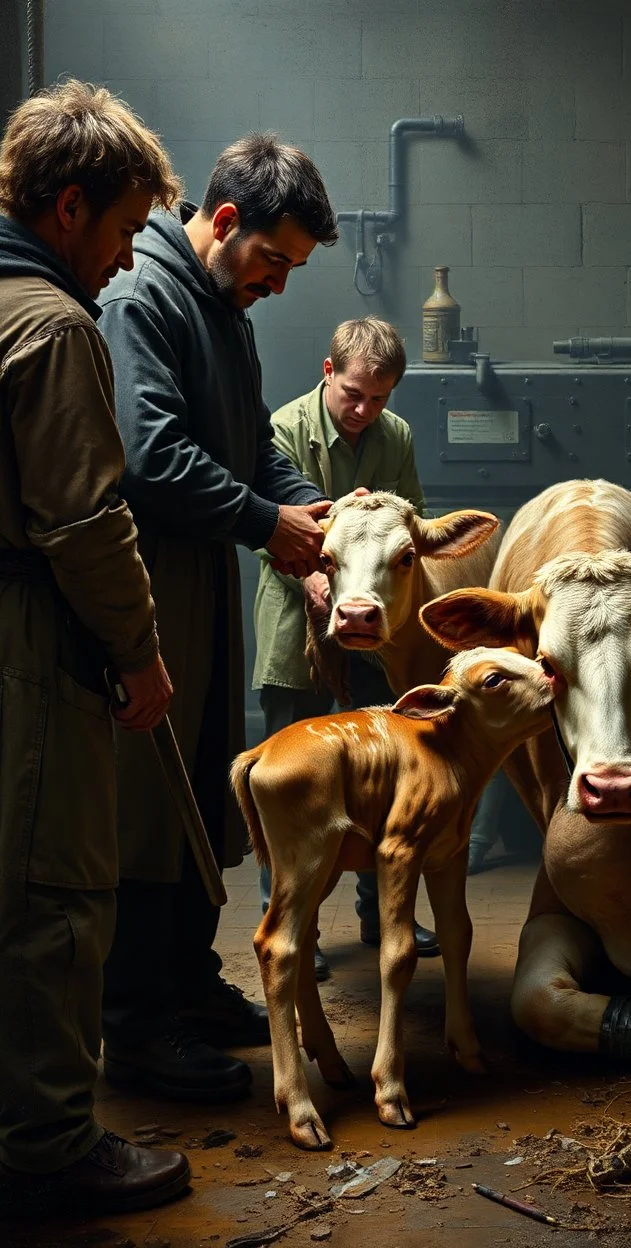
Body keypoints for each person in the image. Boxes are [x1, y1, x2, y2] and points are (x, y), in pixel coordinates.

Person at [96, 135, 338, 1103]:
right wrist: (260, 522)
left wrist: (312, 510)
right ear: (224, 222)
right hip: (154, 582)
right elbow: (150, 455)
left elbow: (245, 447)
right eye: (273, 260)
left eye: (294, 270)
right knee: (151, 808)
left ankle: (190, 988)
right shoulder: (141, 299)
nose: (279, 285)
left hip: (204, 577)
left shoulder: (223, 305)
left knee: (200, 788)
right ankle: (137, 1027)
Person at [0, 81, 190, 1212]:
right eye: (122, 231)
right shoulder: (53, 326)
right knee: (53, 894)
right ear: (69, 208)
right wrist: (140, 651)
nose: (126, 262)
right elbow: (82, 521)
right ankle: (50, 1148)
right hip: (30, 638)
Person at [252, 317, 440, 981]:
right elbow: (272, 528)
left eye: (380, 399)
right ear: (328, 372)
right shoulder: (283, 429)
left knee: (383, 775)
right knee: (291, 783)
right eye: (354, 394)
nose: (364, 412)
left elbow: (410, 524)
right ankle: (289, 921)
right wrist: (313, 578)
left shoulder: (396, 438)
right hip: (298, 621)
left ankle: (382, 910)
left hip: (377, 630)